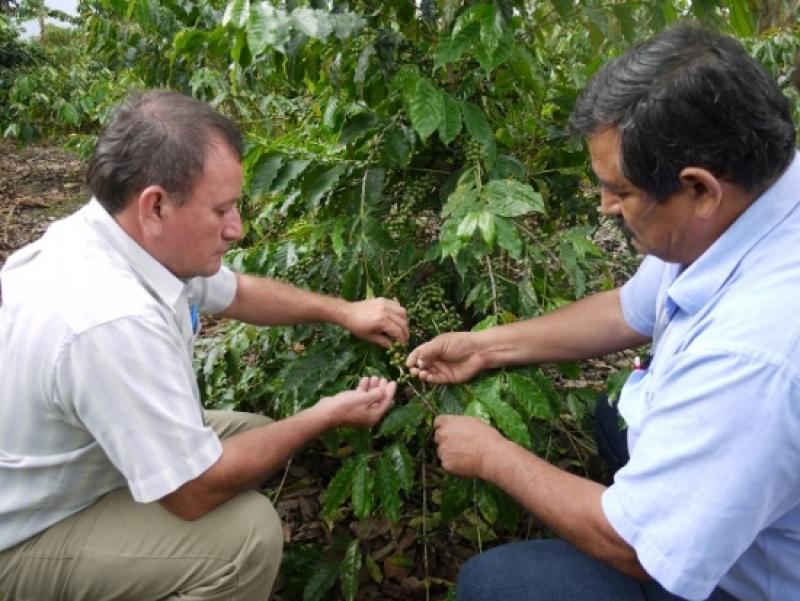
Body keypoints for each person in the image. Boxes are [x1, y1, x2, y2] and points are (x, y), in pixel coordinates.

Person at [407, 22, 799, 601]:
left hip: (758, 582)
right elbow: (627, 309)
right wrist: (485, 345)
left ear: (699, 189)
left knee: (499, 584)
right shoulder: (747, 200)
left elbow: (634, 547)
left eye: (621, 190)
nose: (605, 206)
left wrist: (493, 455)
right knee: (609, 416)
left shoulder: (756, 353)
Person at [0, 89, 407, 599]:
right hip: (25, 533)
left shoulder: (117, 236)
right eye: (222, 210)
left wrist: (343, 311)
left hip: (75, 460)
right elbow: (192, 494)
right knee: (247, 537)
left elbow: (237, 293)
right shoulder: (110, 319)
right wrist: (322, 416)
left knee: (254, 433)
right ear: (156, 205)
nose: (236, 229)